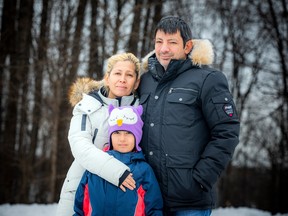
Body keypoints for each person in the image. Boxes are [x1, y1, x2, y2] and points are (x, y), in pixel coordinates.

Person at [137, 16, 240, 216]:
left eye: (172, 42)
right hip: (148, 197)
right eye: (159, 42)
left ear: (187, 46)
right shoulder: (144, 81)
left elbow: (227, 131)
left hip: (190, 200)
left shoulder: (208, 79)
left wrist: (202, 178)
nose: (164, 48)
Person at [56, 53, 142, 216]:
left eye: (129, 75)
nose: (122, 79)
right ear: (107, 78)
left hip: (127, 194)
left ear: (136, 82)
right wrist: (117, 172)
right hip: (80, 188)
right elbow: (80, 146)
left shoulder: (141, 110)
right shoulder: (86, 107)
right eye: (117, 73)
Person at [74, 105, 163, 216]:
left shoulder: (143, 170)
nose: (122, 139)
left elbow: (154, 209)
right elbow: (79, 208)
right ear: (110, 136)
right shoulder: (96, 165)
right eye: (117, 133)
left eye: (128, 133)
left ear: (137, 136)